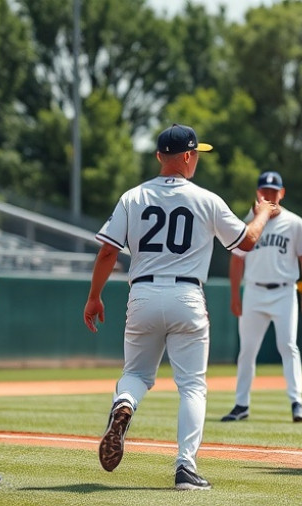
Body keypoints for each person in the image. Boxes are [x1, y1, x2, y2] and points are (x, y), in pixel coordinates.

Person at [83, 123, 276, 490]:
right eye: (196, 154)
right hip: (187, 296)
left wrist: (94, 296)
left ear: (159, 156)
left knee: (136, 375)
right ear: (187, 156)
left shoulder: (132, 197)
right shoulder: (207, 199)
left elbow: (108, 250)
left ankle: (124, 402)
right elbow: (247, 242)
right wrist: (263, 213)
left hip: (142, 294)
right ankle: (185, 468)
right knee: (192, 386)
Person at [221, 171, 302, 424]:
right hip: (253, 291)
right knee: (247, 350)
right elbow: (236, 259)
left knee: (288, 346)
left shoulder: (294, 222)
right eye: (265, 191)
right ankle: (241, 404)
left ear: (282, 193)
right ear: (258, 193)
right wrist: (234, 294)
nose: (269, 195)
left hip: (285, 291)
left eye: (274, 191)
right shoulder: (249, 221)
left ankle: (297, 402)